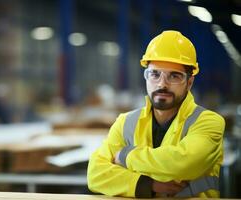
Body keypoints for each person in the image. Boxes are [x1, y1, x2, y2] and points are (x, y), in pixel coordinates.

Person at [87, 30, 225, 198]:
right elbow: (95, 174)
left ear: (189, 82)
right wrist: (149, 185)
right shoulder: (126, 123)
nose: (162, 84)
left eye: (174, 76)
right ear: (146, 77)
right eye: (155, 74)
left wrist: (126, 155)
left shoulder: (209, 122)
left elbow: (182, 163)